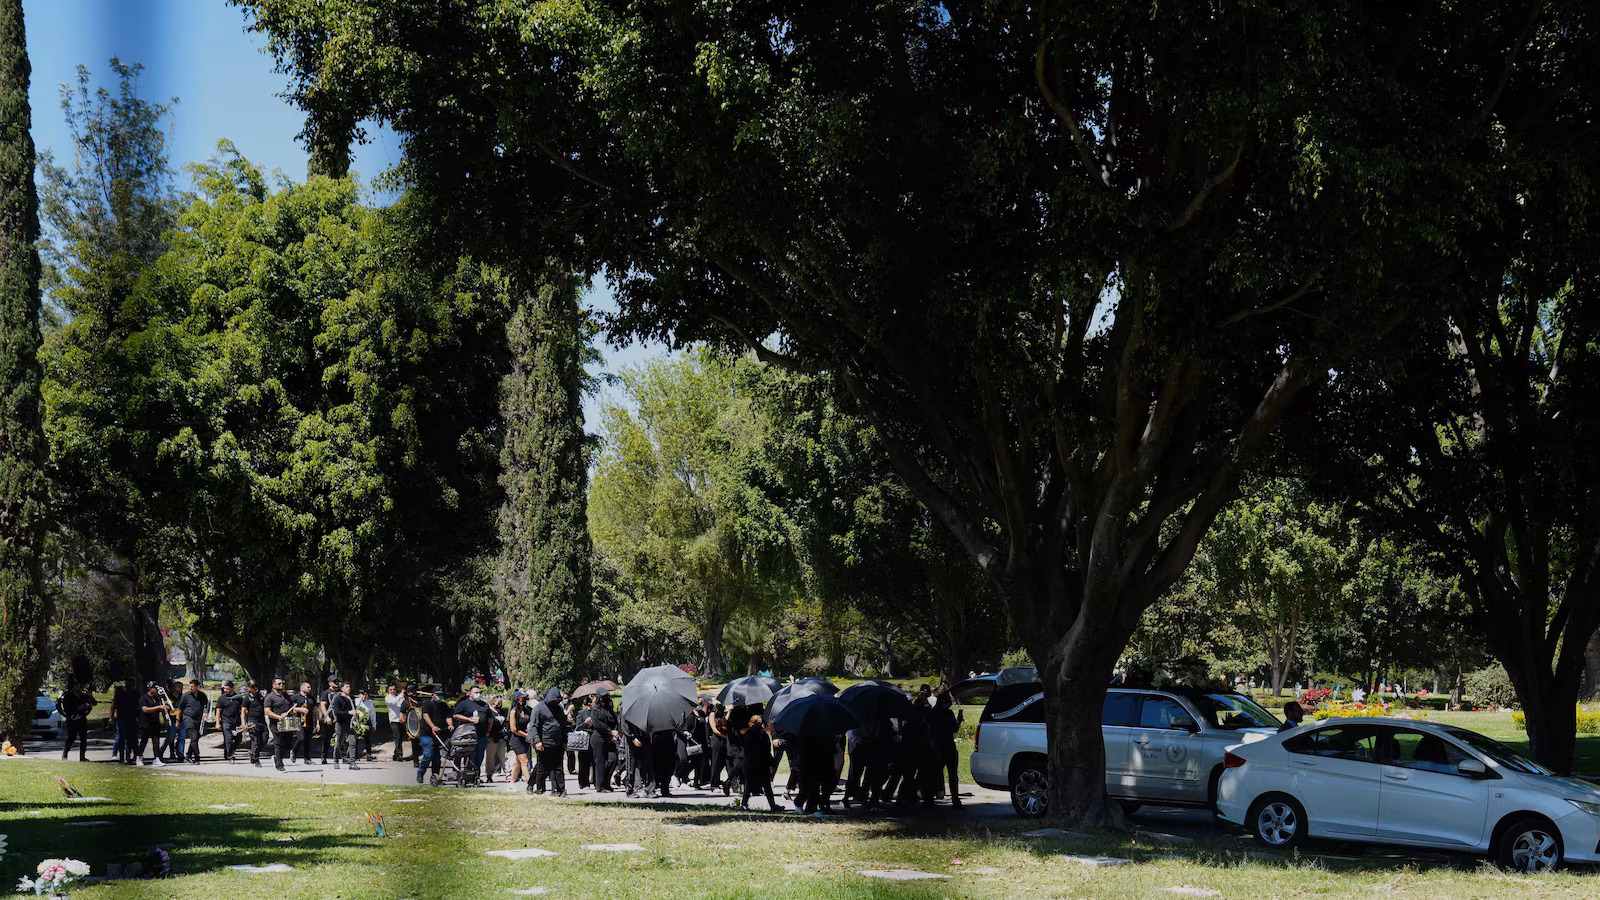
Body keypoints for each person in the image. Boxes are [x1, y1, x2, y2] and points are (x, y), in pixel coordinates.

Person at [738, 713, 783, 811]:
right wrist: (771, 760)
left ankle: (744, 804)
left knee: (748, 785)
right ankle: (772, 805)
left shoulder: (747, 734)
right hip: (761, 763)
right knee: (766, 786)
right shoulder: (762, 734)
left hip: (749, 762)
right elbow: (766, 749)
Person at [926, 692, 962, 807]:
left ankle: (953, 799)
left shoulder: (941, 713)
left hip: (945, 746)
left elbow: (954, 729)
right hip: (941, 746)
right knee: (941, 774)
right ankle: (952, 799)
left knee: (944, 775)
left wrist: (959, 721)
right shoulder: (937, 714)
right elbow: (932, 732)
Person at [530, 687, 567, 795]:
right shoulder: (538, 709)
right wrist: (537, 741)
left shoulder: (559, 709)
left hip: (558, 743)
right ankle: (540, 789)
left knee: (558, 768)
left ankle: (560, 790)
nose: (556, 702)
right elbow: (534, 726)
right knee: (542, 768)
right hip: (544, 743)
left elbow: (563, 726)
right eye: (554, 700)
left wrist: (564, 741)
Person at [452, 685, 491, 782]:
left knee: (480, 756)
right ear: (470, 693)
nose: (478, 694)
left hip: (482, 735)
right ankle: (468, 775)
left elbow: (490, 719)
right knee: (470, 756)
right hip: (469, 736)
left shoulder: (484, 705)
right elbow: (456, 715)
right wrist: (468, 719)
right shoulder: (464, 704)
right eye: (476, 693)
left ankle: (476, 775)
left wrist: (488, 731)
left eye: (479, 693)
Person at [264, 678, 303, 772]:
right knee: (279, 743)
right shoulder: (270, 697)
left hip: (287, 723)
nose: (282, 685)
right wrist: (278, 716)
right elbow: (267, 711)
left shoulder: (286, 696)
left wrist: (294, 712)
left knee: (288, 744)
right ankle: (279, 765)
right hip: (276, 723)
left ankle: (277, 757)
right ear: (274, 685)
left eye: (283, 683)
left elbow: (292, 708)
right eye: (279, 683)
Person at [415, 690, 448, 785]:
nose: (440, 697)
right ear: (433, 695)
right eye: (438, 695)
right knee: (428, 754)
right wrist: (433, 726)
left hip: (439, 734)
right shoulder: (427, 704)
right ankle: (421, 772)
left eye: (441, 695)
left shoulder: (444, 706)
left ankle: (435, 777)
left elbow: (448, 716)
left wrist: (450, 725)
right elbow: (425, 716)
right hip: (427, 734)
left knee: (437, 757)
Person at [590, 694, 620, 792]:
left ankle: (606, 782)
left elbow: (615, 722)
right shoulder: (595, 710)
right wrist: (610, 732)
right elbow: (598, 725)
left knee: (613, 759)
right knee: (600, 762)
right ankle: (600, 786)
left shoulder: (609, 709)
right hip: (598, 738)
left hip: (610, 738)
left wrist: (615, 733)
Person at [177, 680, 210, 764]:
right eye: (190, 686)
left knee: (195, 738)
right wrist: (178, 720)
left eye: (192, 686)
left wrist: (205, 712)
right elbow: (180, 709)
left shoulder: (202, 696)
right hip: (188, 718)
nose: (190, 688)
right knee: (194, 736)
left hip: (198, 719)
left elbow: (206, 706)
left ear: (197, 686)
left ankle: (188, 756)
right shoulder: (185, 696)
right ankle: (197, 757)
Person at [135, 683, 169, 767]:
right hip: (145, 723)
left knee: (156, 741)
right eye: (155, 689)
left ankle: (156, 758)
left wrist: (165, 717)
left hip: (155, 723)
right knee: (144, 741)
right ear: (151, 689)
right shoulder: (143, 698)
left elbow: (161, 709)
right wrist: (159, 707)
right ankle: (139, 757)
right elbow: (145, 709)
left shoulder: (157, 699)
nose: (157, 691)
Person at [328, 681, 360, 769]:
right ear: (342, 689)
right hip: (341, 723)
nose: (348, 689)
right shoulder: (338, 698)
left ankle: (352, 763)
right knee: (339, 742)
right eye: (346, 687)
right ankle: (335, 760)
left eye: (349, 687)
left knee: (353, 742)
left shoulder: (351, 698)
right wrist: (349, 712)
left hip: (350, 723)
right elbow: (337, 712)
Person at [58, 683, 93, 762]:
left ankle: (82, 756)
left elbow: (94, 703)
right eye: (78, 686)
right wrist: (78, 708)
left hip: (82, 719)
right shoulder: (68, 697)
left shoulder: (83, 696)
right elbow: (67, 709)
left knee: (83, 738)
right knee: (71, 738)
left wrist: (90, 697)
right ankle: (65, 753)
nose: (80, 688)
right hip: (72, 720)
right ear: (74, 687)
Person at [507, 691, 533, 784]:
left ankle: (511, 784)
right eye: (521, 699)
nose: (523, 701)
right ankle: (530, 784)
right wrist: (526, 735)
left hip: (526, 739)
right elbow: (513, 729)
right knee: (525, 762)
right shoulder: (513, 712)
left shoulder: (528, 710)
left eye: (525, 698)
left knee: (518, 763)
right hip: (516, 740)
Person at [215, 681, 244, 763]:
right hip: (226, 721)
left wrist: (243, 722)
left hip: (237, 721)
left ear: (232, 688)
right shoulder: (222, 698)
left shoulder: (238, 697)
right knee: (229, 739)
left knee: (238, 739)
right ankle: (230, 756)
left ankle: (228, 751)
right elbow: (218, 711)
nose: (225, 690)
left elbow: (243, 710)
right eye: (224, 688)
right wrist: (217, 723)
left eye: (227, 689)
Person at [241, 681, 268, 767]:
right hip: (252, 722)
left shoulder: (261, 696)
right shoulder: (247, 698)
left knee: (264, 740)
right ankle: (256, 759)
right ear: (249, 688)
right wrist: (243, 723)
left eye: (256, 686)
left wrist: (265, 697)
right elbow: (243, 712)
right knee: (255, 740)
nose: (255, 688)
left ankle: (253, 753)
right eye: (253, 687)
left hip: (262, 721)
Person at [570, 697, 594, 789]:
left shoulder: (596, 713)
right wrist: (585, 723)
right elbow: (578, 727)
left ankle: (594, 780)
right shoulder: (581, 713)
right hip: (584, 740)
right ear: (588, 703)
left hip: (594, 739)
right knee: (584, 762)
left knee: (594, 761)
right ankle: (583, 782)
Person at [291, 681, 317, 764]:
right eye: (308, 687)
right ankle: (294, 752)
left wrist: (317, 722)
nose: (310, 689)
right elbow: (291, 709)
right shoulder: (295, 697)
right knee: (301, 738)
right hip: (298, 720)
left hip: (309, 721)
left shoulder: (311, 698)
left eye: (310, 687)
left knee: (308, 740)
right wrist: (300, 709)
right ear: (302, 688)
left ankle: (307, 758)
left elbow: (315, 711)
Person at [318, 676, 341, 764]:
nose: (336, 683)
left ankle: (342, 755)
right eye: (334, 681)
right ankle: (324, 757)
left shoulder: (339, 693)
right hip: (330, 718)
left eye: (337, 681)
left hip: (339, 718)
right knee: (327, 738)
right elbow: (322, 705)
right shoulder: (326, 693)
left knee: (340, 737)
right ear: (329, 683)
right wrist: (326, 716)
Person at [384, 683, 408, 761]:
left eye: (394, 689)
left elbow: (403, 705)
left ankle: (396, 753)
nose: (393, 691)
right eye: (391, 690)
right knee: (397, 737)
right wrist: (401, 694)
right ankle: (399, 755)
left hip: (401, 719)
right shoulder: (388, 698)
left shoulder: (399, 697)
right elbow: (394, 702)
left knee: (400, 737)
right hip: (393, 720)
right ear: (388, 690)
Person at [357, 689, 378, 760]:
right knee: (356, 739)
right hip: (357, 721)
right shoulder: (356, 701)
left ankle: (369, 754)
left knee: (367, 739)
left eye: (366, 694)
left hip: (366, 721)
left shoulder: (370, 703)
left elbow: (372, 714)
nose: (364, 696)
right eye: (362, 694)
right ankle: (355, 754)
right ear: (359, 695)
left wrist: (374, 724)